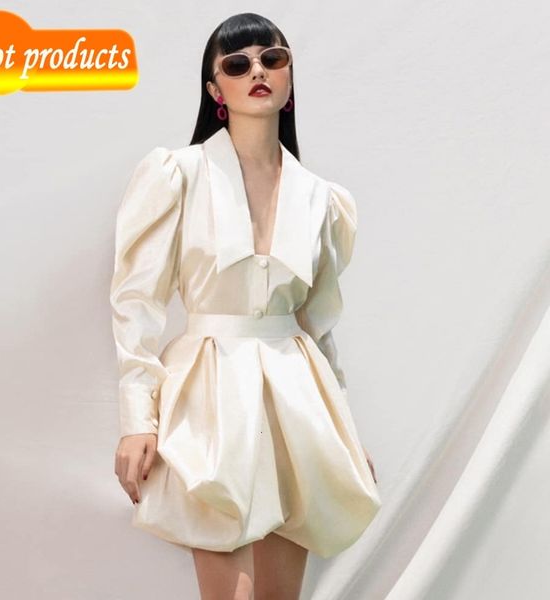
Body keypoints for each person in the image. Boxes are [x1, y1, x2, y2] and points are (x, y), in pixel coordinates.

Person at [111, 12, 381, 600]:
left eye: (271, 58)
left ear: (289, 77)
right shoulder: (178, 176)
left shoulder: (322, 200)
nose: (257, 71)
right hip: (208, 394)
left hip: (295, 397)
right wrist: (137, 420)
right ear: (215, 90)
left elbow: (319, 325)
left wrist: (343, 430)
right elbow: (136, 304)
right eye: (237, 64)